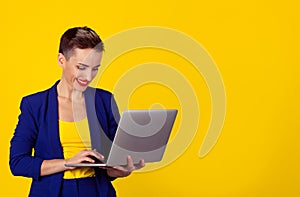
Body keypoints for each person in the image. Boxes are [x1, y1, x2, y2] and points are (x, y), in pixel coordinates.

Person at [9, 26, 145, 197]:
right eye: (81, 67)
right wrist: (67, 163)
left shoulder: (104, 101)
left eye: (95, 68)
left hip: (96, 191)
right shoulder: (34, 105)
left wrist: (122, 170)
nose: (88, 76)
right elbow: (18, 162)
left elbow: (112, 164)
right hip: (53, 192)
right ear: (61, 60)